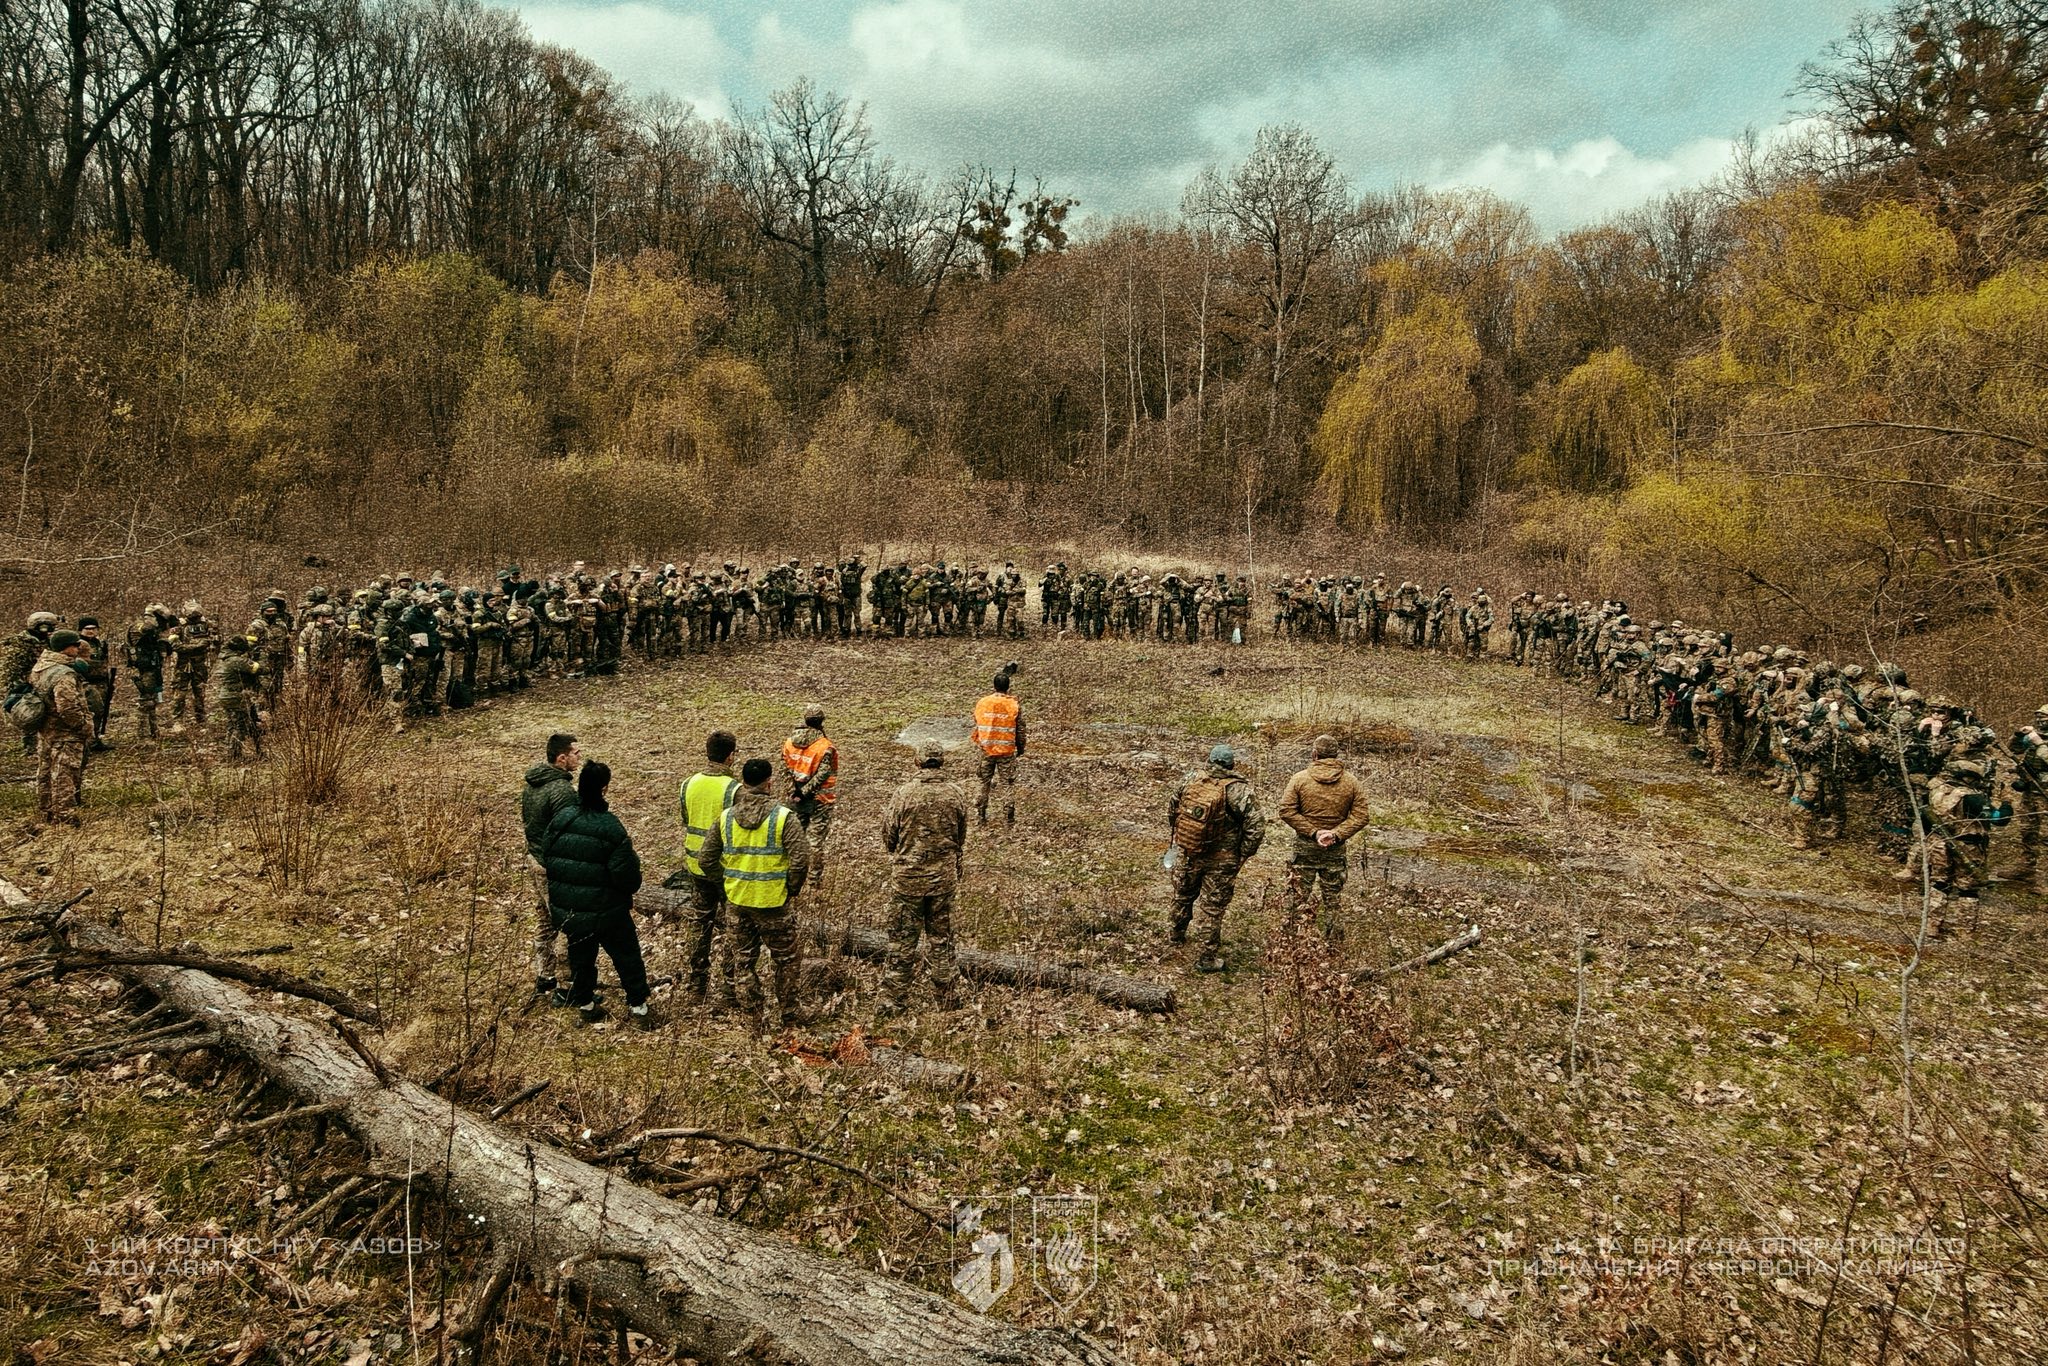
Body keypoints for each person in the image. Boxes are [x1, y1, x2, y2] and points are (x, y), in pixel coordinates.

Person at [700, 757, 810, 1028]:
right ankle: (790, 1014)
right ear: (769, 782)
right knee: (787, 960)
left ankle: (753, 1020)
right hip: (773, 902)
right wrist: (791, 888)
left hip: (738, 901)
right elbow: (801, 859)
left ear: (743, 783)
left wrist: (725, 884)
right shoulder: (784, 817)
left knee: (744, 961)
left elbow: (705, 860)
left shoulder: (725, 818)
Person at [541, 761, 652, 1028]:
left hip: (572, 912)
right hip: (608, 911)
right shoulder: (610, 826)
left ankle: (586, 1004)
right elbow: (627, 877)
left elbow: (549, 857)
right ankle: (639, 1009)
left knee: (581, 959)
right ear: (604, 788)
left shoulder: (561, 820)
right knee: (627, 957)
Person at [878, 740, 970, 1016]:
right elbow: (960, 837)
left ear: (917, 762)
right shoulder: (956, 794)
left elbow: (889, 835)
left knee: (902, 943)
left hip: (908, 880)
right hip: (943, 881)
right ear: (941, 762)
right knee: (941, 940)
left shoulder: (904, 794)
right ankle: (947, 1000)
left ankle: (892, 1003)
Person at [1166, 744, 1266, 972]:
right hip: (1222, 861)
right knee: (1212, 908)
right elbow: (1256, 827)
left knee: (1182, 896)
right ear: (1232, 765)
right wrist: (1244, 853)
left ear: (1209, 760)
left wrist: (1184, 837)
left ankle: (1176, 936)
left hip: (1188, 852)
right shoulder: (1239, 791)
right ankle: (1206, 958)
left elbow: (1173, 809)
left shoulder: (1191, 779)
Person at [1276, 735, 1369, 935]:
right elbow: (1362, 816)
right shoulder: (1351, 782)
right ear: (1336, 755)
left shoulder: (1299, 779)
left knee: (1297, 897)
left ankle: (1289, 941)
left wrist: (1313, 832)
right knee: (1333, 900)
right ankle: (1334, 946)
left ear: (1314, 754)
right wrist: (1336, 834)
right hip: (1334, 851)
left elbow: (1286, 811)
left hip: (1305, 849)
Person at [678, 729, 741, 1007]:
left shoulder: (688, 784)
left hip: (695, 865)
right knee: (732, 926)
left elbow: (686, 819)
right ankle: (729, 988)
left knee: (699, 924)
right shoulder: (734, 789)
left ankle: (696, 985)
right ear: (731, 756)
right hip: (725, 869)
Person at [520, 733, 581, 1000]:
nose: (579, 757)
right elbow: (569, 833)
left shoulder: (532, 785)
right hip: (554, 866)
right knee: (569, 921)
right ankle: (569, 985)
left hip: (535, 859)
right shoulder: (561, 791)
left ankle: (545, 977)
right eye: (575, 753)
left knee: (545, 921)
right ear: (561, 758)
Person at [30, 629, 94, 825]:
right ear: (67, 648)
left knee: (46, 770)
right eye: (75, 645)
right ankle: (64, 814)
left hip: (45, 729)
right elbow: (67, 707)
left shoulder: (41, 666)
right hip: (65, 731)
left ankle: (46, 809)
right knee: (64, 772)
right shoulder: (64, 673)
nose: (78, 648)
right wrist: (84, 726)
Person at [781, 704, 838, 887]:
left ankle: (790, 876)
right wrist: (805, 793)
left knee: (793, 838)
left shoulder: (790, 742)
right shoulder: (825, 746)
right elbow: (823, 774)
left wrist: (794, 792)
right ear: (822, 721)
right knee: (815, 842)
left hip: (795, 798)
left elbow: (785, 769)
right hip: (820, 799)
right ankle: (814, 881)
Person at [971, 670, 1026, 826]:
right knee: (1007, 783)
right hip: (1006, 751)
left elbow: (977, 722)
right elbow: (1020, 729)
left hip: (986, 749)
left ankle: (981, 815)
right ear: (1008, 687)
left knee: (984, 782)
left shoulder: (982, 702)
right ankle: (1009, 816)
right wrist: (1020, 748)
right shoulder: (1013, 705)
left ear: (994, 686)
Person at [215, 636, 264, 759]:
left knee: (233, 724)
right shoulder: (236, 661)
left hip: (228, 695)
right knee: (240, 726)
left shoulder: (227, 659)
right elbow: (261, 669)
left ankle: (231, 752)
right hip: (236, 696)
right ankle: (234, 755)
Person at [75, 616, 114, 749]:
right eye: (87, 629)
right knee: (88, 712)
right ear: (81, 630)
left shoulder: (100, 644)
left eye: (94, 628)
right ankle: (85, 741)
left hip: (101, 682)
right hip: (86, 682)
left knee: (99, 711)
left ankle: (94, 739)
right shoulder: (77, 644)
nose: (91, 631)